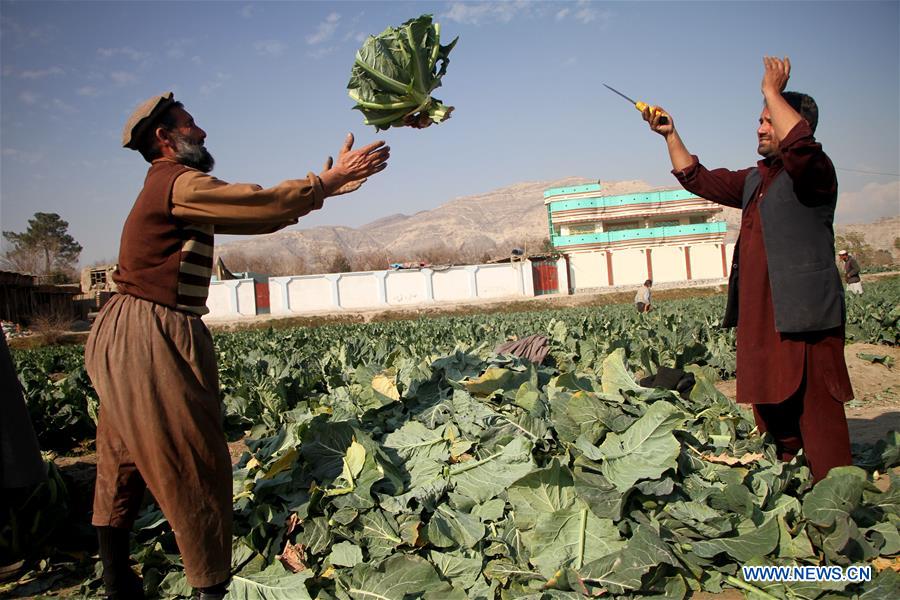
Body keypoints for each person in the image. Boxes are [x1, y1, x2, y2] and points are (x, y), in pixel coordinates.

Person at [85, 92, 389, 600]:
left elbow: (258, 217)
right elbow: (257, 201)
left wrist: (326, 189)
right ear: (165, 137)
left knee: (122, 454)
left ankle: (117, 580)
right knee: (194, 460)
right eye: (190, 123)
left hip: (122, 330)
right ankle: (209, 589)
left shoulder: (170, 189)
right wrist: (324, 183)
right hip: (152, 331)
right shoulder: (177, 182)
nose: (202, 131)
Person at [642, 57, 853, 483]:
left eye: (769, 120)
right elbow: (699, 178)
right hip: (764, 320)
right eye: (759, 120)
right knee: (773, 409)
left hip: (806, 319)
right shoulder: (756, 180)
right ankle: (790, 483)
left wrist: (771, 91)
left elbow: (801, 149)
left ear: (796, 124)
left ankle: (834, 494)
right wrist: (671, 134)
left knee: (818, 412)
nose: (760, 128)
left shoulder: (815, 174)